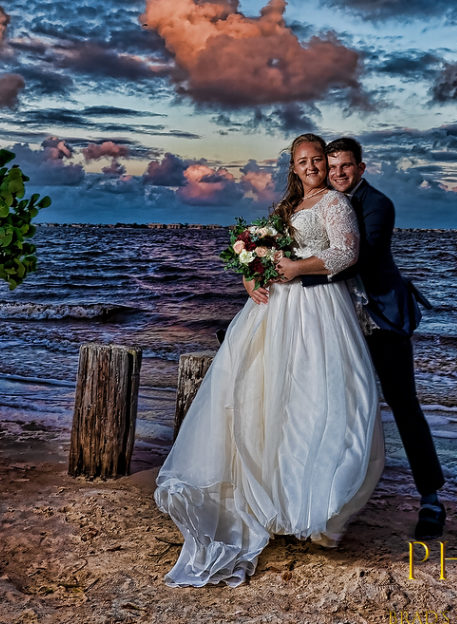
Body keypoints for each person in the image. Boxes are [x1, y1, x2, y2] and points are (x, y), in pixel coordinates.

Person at [154, 134, 384, 587]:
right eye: (304, 161)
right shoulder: (289, 209)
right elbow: (259, 254)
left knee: (317, 397)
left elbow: (346, 253)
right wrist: (249, 278)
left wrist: (298, 268)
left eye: (318, 159)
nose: (313, 166)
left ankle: (319, 510)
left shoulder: (335, 203)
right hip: (276, 310)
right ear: (294, 168)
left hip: (319, 310)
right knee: (265, 397)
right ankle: (274, 501)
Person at [321, 137, 445, 540]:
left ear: (361, 167)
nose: (338, 173)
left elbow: (364, 256)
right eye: (332, 165)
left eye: (346, 166)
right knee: (332, 402)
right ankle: (329, 493)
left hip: (380, 317)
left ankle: (431, 498)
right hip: (337, 316)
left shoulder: (378, 204)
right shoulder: (322, 201)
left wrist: (298, 275)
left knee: (403, 403)